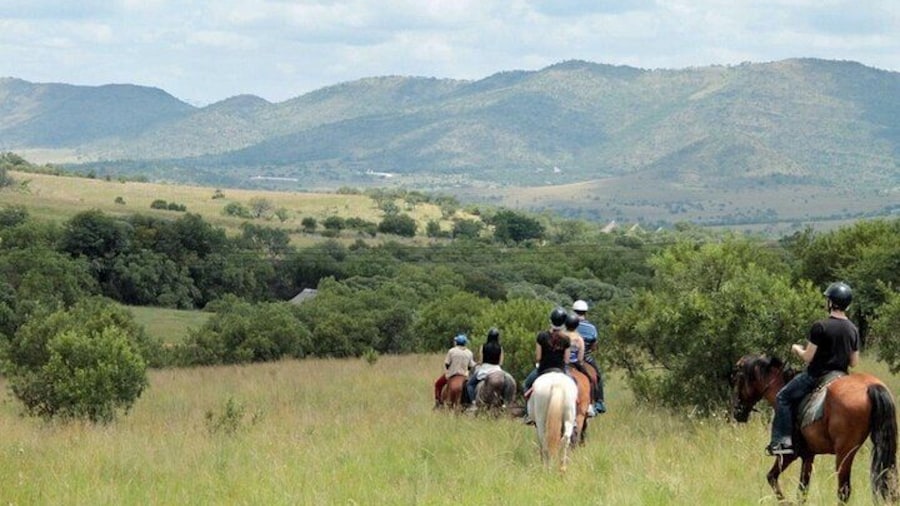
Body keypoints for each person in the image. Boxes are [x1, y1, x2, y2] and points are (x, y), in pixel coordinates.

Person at [766, 282, 860, 456]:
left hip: (817, 375)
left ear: (831, 303)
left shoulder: (820, 326)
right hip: (841, 376)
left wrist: (796, 349)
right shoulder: (853, 329)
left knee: (783, 397)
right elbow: (854, 362)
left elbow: (808, 357)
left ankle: (782, 441)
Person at [522, 307, 572, 394]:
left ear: (551, 320)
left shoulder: (541, 336)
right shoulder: (566, 339)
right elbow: (567, 360)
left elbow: (538, 357)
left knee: (526, 385)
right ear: (564, 323)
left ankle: (526, 408)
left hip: (543, 369)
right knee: (574, 387)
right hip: (560, 369)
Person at [465, 328, 516, 410]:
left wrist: (477, 364)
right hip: (497, 369)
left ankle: (473, 402)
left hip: (485, 369)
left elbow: (481, 361)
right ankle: (505, 403)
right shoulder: (500, 348)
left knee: (470, 384)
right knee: (509, 381)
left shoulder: (483, 346)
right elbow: (501, 362)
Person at [573, 299, 606, 414]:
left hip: (567, 358)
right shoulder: (591, 328)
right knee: (597, 376)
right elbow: (594, 346)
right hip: (586, 357)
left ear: (574, 311)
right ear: (585, 312)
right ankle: (599, 402)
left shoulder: (568, 325)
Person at [563, 312, 598, 417]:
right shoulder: (579, 338)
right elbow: (580, 356)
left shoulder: (562, 336)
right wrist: (579, 362)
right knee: (591, 379)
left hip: (562, 364)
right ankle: (590, 404)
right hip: (575, 363)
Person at [433, 334, 476, 409]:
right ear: (465, 343)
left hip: (451, 374)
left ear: (456, 342)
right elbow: (471, 366)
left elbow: (447, 364)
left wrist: (450, 369)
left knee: (438, 384)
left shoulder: (451, 351)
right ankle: (471, 403)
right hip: (464, 376)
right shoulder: (469, 352)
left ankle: (438, 402)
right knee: (471, 387)